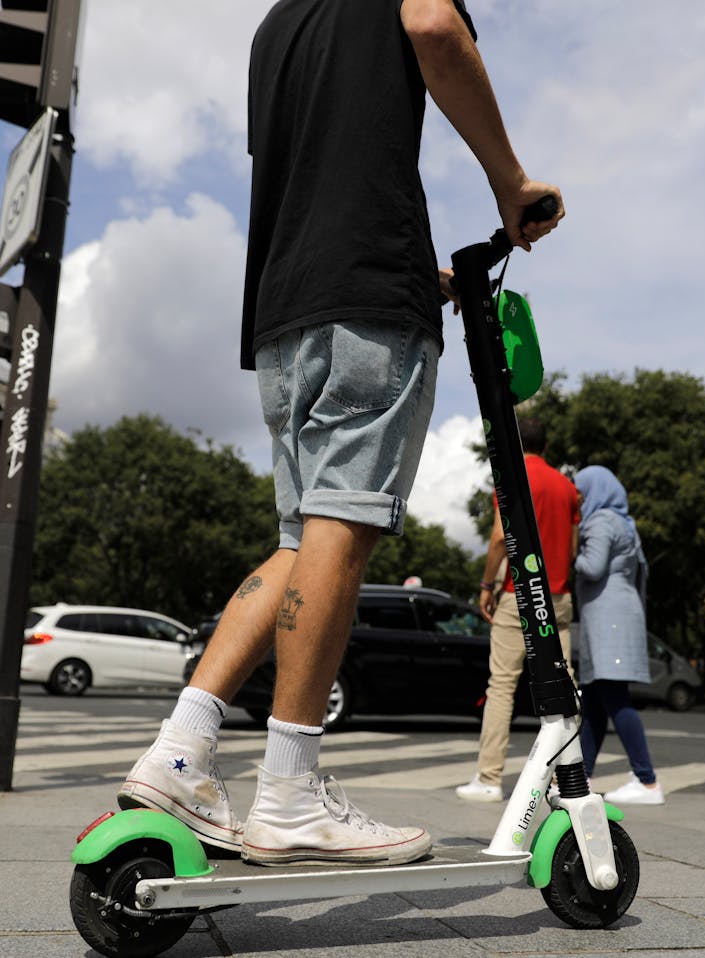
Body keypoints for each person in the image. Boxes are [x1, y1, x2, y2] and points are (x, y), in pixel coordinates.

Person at [118, 0, 564, 867]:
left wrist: (412, 274)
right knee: (346, 521)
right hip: (365, 307)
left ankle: (177, 750)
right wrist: (511, 183)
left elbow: (314, 171)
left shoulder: (274, 28)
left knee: (300, 537)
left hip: (285, 311)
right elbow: (436, 26)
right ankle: (288, 793)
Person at [456, 417, 579, 802]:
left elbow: (498, 539)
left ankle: (489, 778)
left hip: (518, 594)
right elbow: (572, 549)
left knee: (502, 686)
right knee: (564, 686)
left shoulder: (511, 477)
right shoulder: (567, 487)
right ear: (545, 444)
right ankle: (567, 780)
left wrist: (486, 584)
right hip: (558, 596)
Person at [572, 465, 662, 805]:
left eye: (580, 493)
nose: (577, 500)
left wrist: (571, 554)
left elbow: (593, 568)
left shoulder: (600, 521)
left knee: (613, 696)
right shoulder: (624, 522)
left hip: (608, 617)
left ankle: (647, 780)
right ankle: (581, 779)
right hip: (619, 614)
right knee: (595, 700)